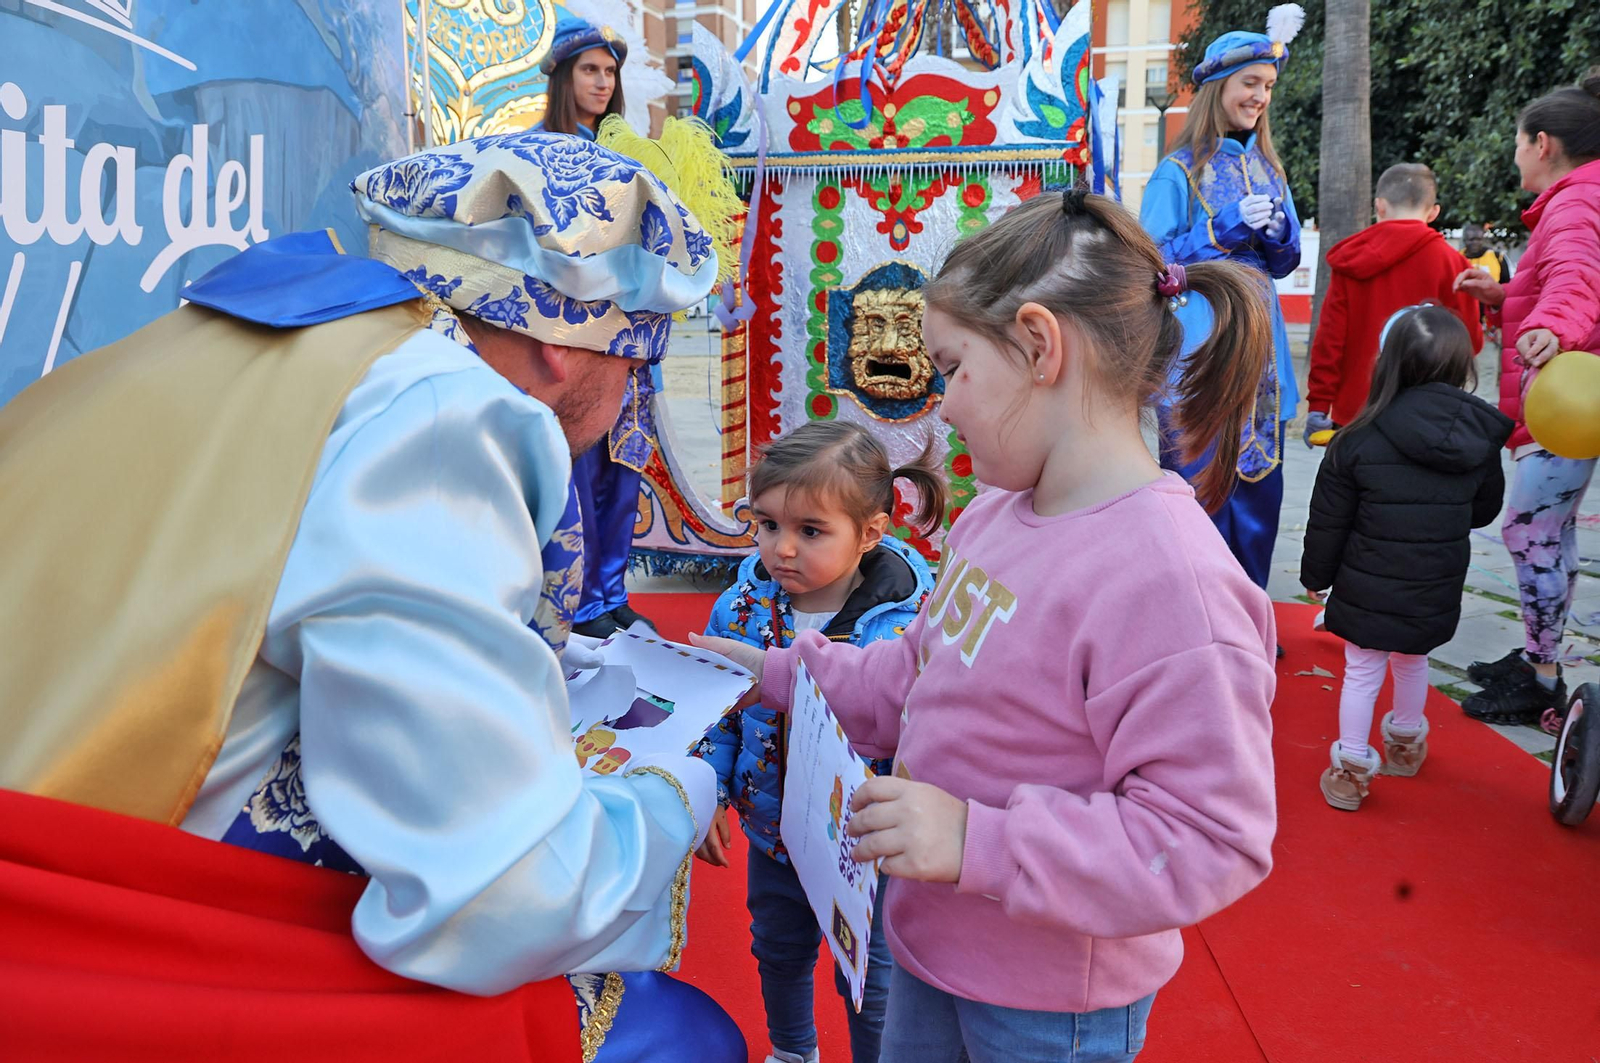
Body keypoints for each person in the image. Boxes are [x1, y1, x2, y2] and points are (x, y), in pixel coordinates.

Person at [0, 133, 744, 1063]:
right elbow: (499, 894)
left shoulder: (246, 338)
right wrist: (676, 790)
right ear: (565, 344)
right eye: (635, 363)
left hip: (54, 857)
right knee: (680, 1037)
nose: (630, 395)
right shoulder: (440, 415)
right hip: (91, 942)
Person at [692, 191, 1279, 1063]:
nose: (946, 406)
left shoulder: (1169, 579)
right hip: (931, 946)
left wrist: (979, 839)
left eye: (956, 368)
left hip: (1048, 1004)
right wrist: (774, 672)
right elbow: (913, 677)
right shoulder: (996, 516)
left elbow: (1207, 837)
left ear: (1040, 346)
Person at [693, 421, 943, 1063]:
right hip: (773, 830)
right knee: (778, 950)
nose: (781, 548)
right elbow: (718, 707)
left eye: (810, 531)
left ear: (870, 533)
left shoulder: (907, 624)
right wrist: (708, 786)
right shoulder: (743, 605)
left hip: (867, 845)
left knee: (871, 981)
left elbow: (928, 725)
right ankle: (792, 1051)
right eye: (767, 524)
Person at [1300, 306, 1512, 810]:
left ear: (1387, 362)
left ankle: (1351, 770)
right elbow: (1484, 510)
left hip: (1367, 583)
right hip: (1434, 581)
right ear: (1462, 363)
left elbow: (1329, 520)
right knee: (1414, 660)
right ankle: (1405, 744)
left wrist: (1316, 577)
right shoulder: (1479, 437)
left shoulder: (1357, 437)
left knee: (1362, 669)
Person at [1140, 2, 1305, 592]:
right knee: (1198, 497)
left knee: (1259, 494)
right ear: (1218, 87)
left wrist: (1280, 234)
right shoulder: (1177, 172)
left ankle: (1249, 612)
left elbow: (1285, 263)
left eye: (1268, 86)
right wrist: (1220, 229)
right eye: (1250, 83)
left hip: (1263, 362)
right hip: (1198, 359)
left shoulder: (1273, 171)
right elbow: (1150, 268)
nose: (1261, 96)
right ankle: (1196, 615)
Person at [1454, 70, 1600, 730]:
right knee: (1551, 530)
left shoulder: (1575, 202)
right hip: (1568, 399)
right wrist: (1504, 297)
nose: (1515, 155)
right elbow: (1558, 279)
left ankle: (1541, 680)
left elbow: (1576, 279)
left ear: (1543, 144)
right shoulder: (1580, 197)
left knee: (1529, 530)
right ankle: (1541, 658)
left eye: (1518, 143)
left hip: (1562, 401)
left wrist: (1553, 328)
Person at [537, 15, 659, 638]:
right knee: (579, 468)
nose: (603, 81)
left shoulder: (629, 153)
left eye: (610, 71)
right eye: (590, 69)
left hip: (629, 335)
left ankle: (611, 592)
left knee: (625, 464)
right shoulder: (535, 152)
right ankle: (580, 602)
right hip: (571, 334)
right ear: (562, 76)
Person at [1304, 164, 1484, 443]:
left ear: (1379, 205)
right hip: (1427, 413)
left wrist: (1318, 405)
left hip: (1356, 413)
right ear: (1434, 212)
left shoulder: (1350, 261)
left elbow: (1330, 340)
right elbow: (1470, 341)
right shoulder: (1453, 264)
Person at [1460, 223, 1513, 345]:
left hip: (1491, 321)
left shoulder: (1497, 257)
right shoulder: (1457, 257)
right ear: (1465, 240)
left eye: (1478, 239)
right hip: (1465, 318)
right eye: (1471, 239)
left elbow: (1507, 288)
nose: (1475, 243)